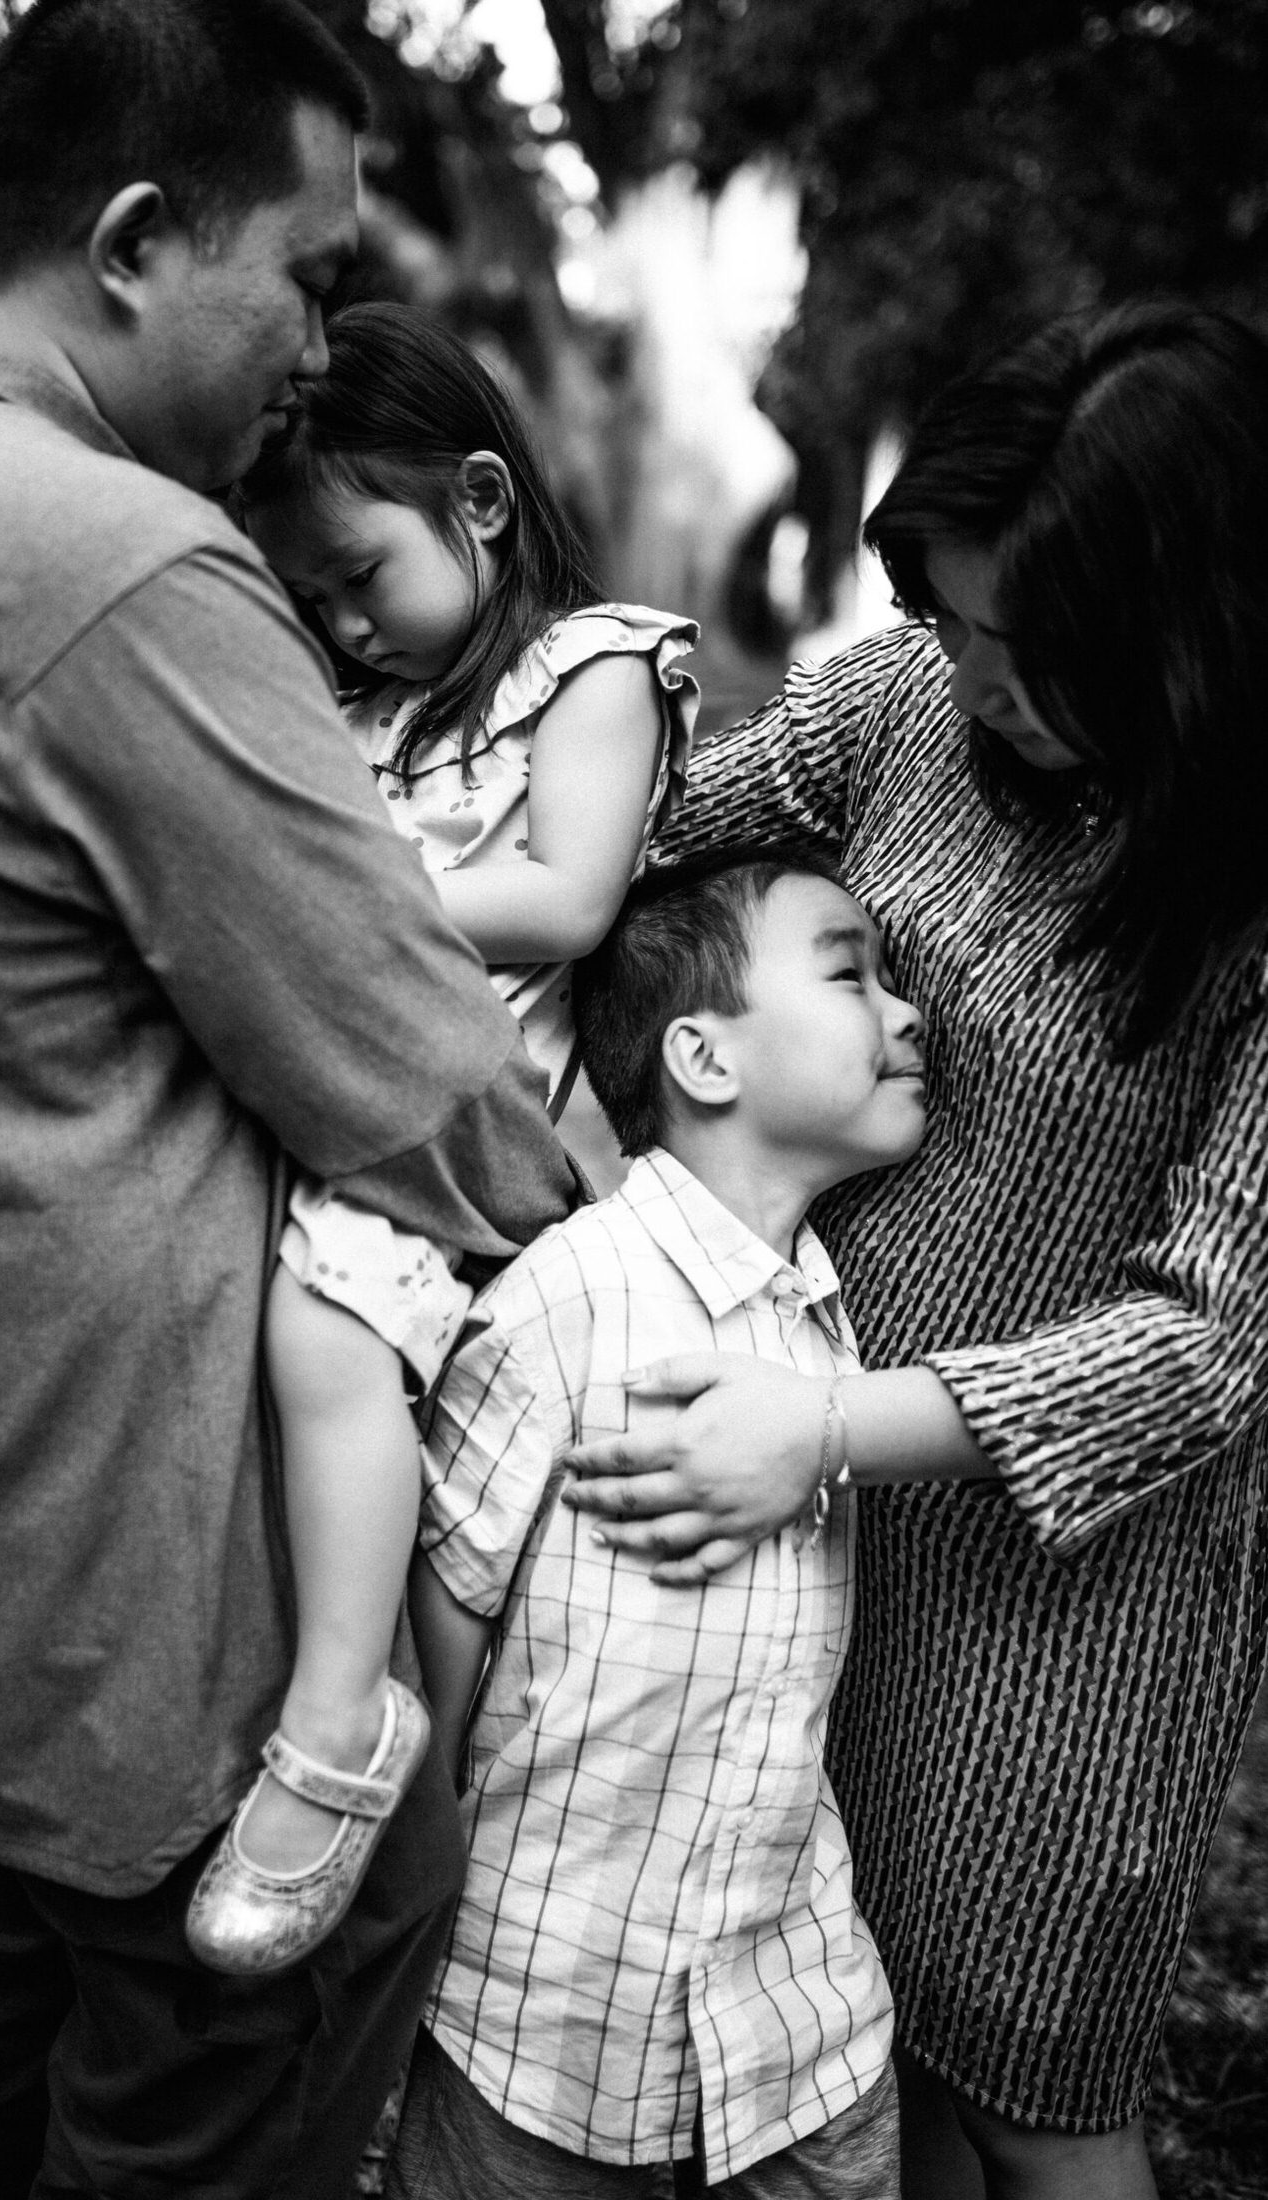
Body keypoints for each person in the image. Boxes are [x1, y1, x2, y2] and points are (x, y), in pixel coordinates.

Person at [0, 5, 585, 2195]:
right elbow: (431, 1074)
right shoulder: (116, 561)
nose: (326, 346)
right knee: (306, 1952)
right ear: (139, 238)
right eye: (309, 275)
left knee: (27, 1940)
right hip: (154, 1566)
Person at [559, 302, 1268, 2200]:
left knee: (1038, 2101)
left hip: (1064, 1615)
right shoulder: (903, 707)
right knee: (857, 2049)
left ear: (1177, 630)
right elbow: (626, 859)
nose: (968, 677)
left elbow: (1212, 1341)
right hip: (806, 1517)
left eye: (1018, 644)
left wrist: (825, 1422)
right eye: (944, 619)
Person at [184, 303, 698, 1975]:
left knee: (324, 1321)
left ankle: (343, 1728)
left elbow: (566, 893)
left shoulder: (591, 667)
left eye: (358, 573)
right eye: (311, 595)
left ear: (480, 500)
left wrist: (342, 892)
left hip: (464, 1138)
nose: (344, 620)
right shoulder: (365, 703)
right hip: (331, 1098)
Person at [381, 849, 928, 2199]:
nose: (908, 1012)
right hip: (539, 2014)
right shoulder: (568, 1298)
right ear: (703, 1057)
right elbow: (444, 1600)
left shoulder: (832, 1312)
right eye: (851, 972)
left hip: (796, 2013)